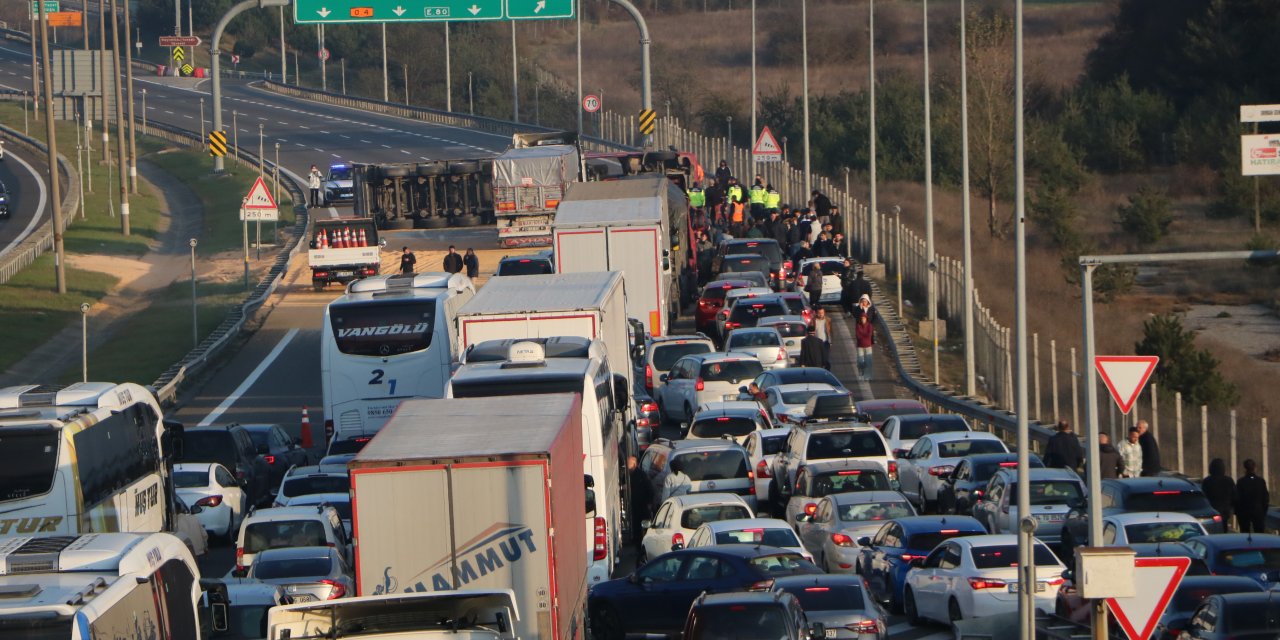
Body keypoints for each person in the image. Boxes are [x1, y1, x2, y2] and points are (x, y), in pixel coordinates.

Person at [1201, 458, 1236, 531]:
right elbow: (1234, 495)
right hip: (1225, 510)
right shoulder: (1228, 480)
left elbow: (1203, 496)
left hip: (1211, 509)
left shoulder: (1207, 481)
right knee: (1224, 528)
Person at [1236, 459, 1269, 533]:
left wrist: (1238, 512)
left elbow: (1237, 499)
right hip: (1258, 511)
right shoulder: (1260, 481)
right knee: (1259, 534)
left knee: (1245, 534)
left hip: (1244, 512)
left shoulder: (1241, 482)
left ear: (1245, 469)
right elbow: (1265, 498)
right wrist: (1263, 510)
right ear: (1255, 468)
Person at [627, 456, 653, 546]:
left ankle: (643, 542)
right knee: (637, 524)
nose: (627, 467)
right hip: (635, 504)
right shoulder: (629, 475)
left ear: (634, 464)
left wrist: (649, 503)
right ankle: (638, 542)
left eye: (629, 464)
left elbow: (649, 489)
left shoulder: (642, 475)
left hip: (642, 504)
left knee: (643, 524)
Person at [855, 311, 874, 379]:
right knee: (860, 361)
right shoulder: (858, 326)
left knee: (869, 362)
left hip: (868, 345)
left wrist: (863, 336)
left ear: (866, 318)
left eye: (864, 318)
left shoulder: (869, 326)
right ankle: (861, 372)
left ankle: (868, 376)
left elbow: (869, 335)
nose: (863, 319)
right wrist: (864, 336)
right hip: (860, 346)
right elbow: (858, 335)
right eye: (862, 318)